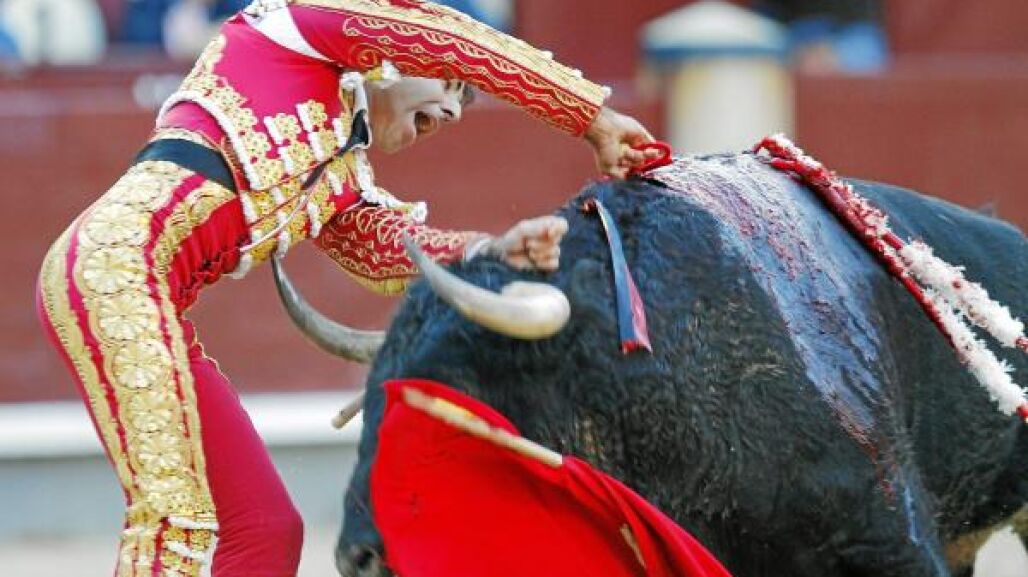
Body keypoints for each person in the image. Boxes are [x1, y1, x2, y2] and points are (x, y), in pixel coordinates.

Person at [35, 1, 656, 576]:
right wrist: (592, 118)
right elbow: (450, 39)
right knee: (178, 520)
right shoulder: (292, 28)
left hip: (155, 302)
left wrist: (492, 252)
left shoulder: (339, 173)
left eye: (464, 101)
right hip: (117, 268)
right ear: (392, 56)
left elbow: (382, 250)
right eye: (448, 84)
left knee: (263, 528)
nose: (452, 111)